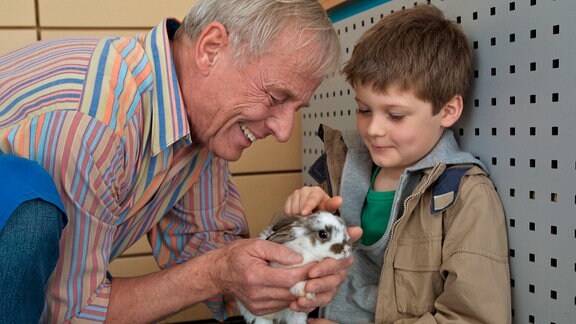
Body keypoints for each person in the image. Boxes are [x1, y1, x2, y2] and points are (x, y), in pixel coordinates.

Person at [0, 0, 360, 322]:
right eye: (275, 97)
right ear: (211, 48)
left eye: (296, 109)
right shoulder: (93, 126)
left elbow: (215, 259)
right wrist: (218, 272)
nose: (283, 131)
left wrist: (298, 253)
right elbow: (65, 314)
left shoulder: (201, 123)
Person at [284, 4, 512, 323]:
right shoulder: (340, 165)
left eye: (395, 116)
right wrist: (300, 218)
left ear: (448, 111)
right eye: (364, 110)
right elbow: (283, 267)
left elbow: (472, 318)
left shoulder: (465, 197)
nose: (374, 129)